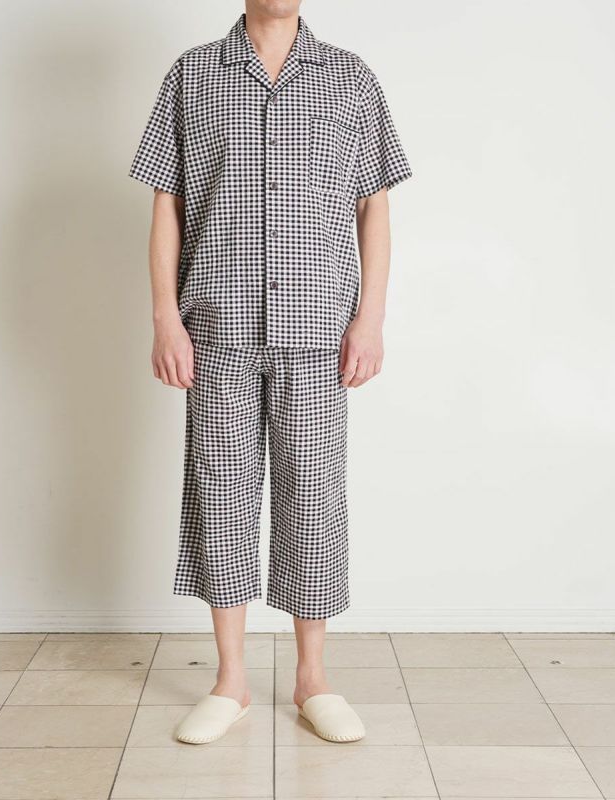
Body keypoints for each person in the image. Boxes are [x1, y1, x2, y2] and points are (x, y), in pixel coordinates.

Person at [128, 0, 412, 744]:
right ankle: (231, 681)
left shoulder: (350, 78)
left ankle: (313, 679)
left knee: (312, 496)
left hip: (318, 329)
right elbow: (167, 204)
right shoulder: (192, 75)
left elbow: (374, 208)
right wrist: (165, 318)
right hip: (216, 326)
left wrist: (371, 318)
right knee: (219, 495)